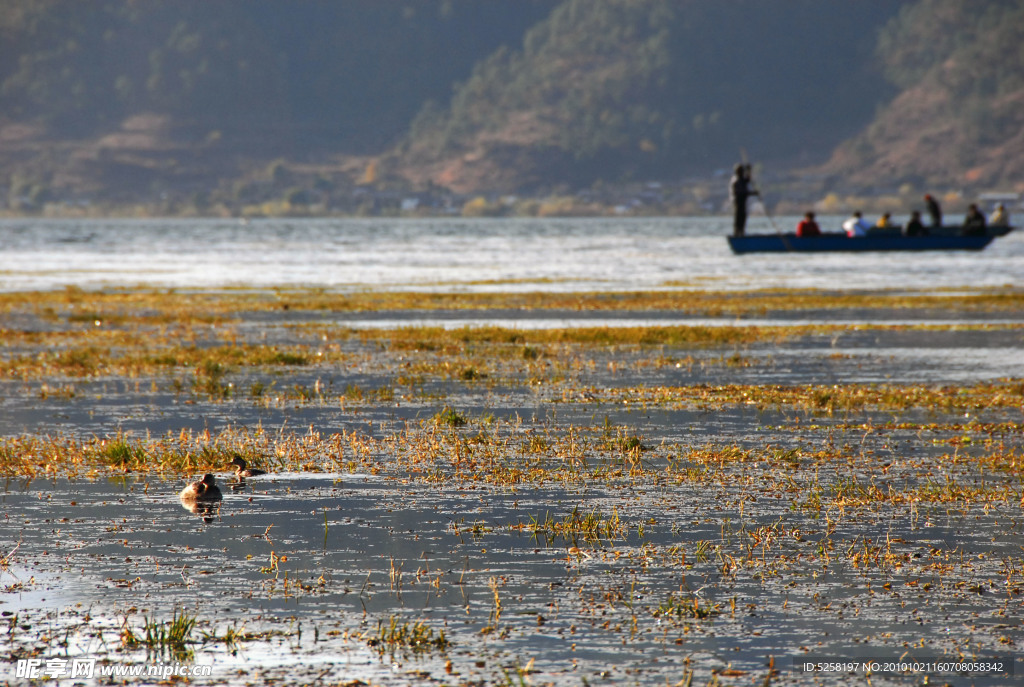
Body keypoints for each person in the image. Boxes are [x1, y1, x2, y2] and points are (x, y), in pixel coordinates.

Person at [729, 163, 759, 237]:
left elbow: (748, 179)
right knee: (739, 218)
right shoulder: (736, 181)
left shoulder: (742, 180)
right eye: (741, 171)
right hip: (738, 203)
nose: (742, 173)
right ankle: (737, 234)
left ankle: (741, 233)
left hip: (743, 203)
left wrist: (749, 170)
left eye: (743, 171)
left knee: (743, 218)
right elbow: (742, 193)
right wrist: (753, 193)